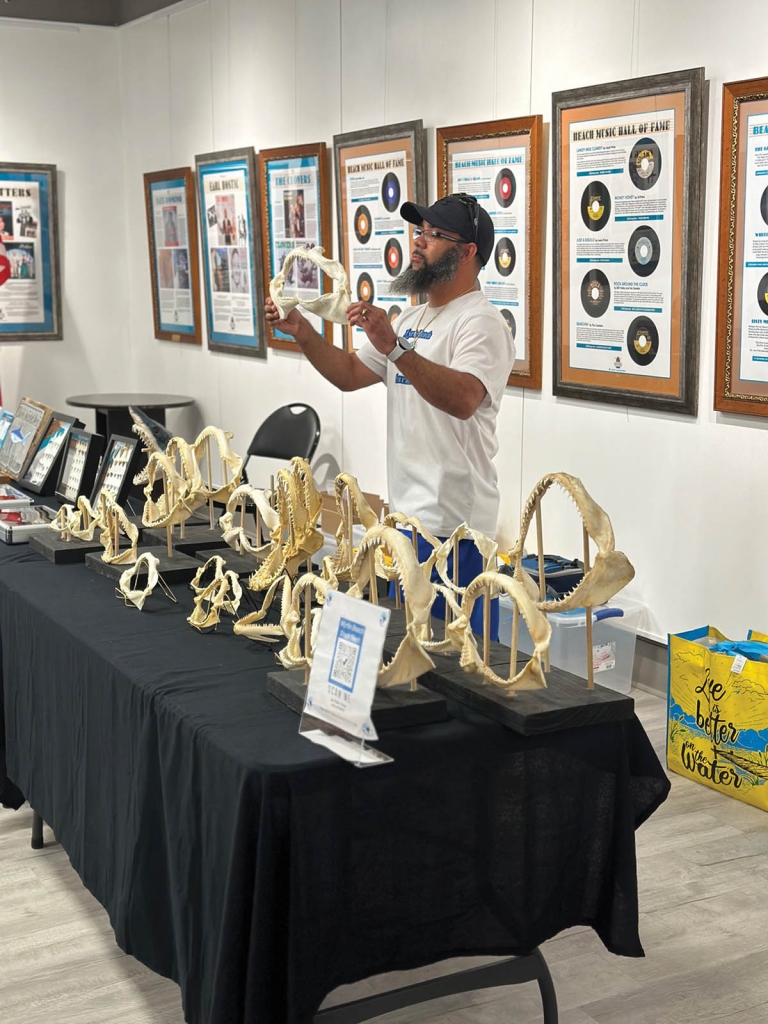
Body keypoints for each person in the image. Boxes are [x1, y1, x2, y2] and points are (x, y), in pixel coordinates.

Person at [265, 193, 514, 636]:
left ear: (468, 251)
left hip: (456, 529)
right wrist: (302, 332)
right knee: (414, 651)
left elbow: (463, 399)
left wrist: (395, 348)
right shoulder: (413, 317)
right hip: (407, 521)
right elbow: (348, 373)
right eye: (419, 232)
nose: (418, 243)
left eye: (434, 235)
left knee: (462, 661)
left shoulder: (481, 323)